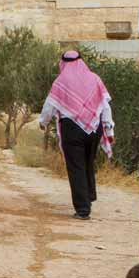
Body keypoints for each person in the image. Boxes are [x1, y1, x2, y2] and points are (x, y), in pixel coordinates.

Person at [38, 51, 114, 220]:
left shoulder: (61, 81)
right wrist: (109, 129)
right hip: (94, 128)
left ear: (62, 63)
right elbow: (105, 106)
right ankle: (88, 197)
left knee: (76, 167)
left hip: (72, 129)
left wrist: (43, 122)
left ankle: (82, 209)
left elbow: (49, 105)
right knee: (88, 163)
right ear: (81, 61)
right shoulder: (95, 78)